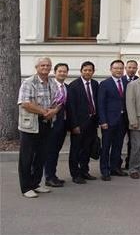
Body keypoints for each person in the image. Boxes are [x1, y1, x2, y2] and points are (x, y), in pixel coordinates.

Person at [17, 57, 61, 198]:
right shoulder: (29, 82)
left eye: (48, 65)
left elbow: (58, 100)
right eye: (42, 65)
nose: (46, 67)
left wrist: (54, 111)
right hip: (31, 125)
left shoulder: (52, 82)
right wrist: (44, 112)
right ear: (36, 67)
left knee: (41, 156)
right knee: (27, 157)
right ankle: (26, 187)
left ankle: (35, 183)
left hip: (47, 123)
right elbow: (25, 103)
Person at [67, 61, 99, 184]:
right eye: (85, 70)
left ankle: (84, 171)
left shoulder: (96, 84)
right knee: (76, 149)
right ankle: (75, 174)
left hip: (92, 122)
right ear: (81, 71)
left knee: (87, 149)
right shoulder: (74, 85)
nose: (87, 72)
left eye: (90, 70)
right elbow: (71, 107)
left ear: (93, 72)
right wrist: (74, 125)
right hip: (79, 124)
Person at [98, 59, 128, 181]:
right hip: (109, 121)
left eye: (121, 68)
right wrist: (103, 121)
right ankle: (104, 170)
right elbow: (101, 104)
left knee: (118, 145)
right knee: (106, 147)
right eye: (116, 68)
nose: (119, 70)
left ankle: (115, 167)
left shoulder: (126, 82)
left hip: (122, 120)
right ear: (111, 69)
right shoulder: (105, 84)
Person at [44, 63, 69, 188]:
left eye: (65, 71)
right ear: (55, 72)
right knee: (50, 151)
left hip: (63, 124)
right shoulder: (50, 86)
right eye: (60, 71)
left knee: (56, 151)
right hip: (52, 124)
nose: (62, 73)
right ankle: (49, 177)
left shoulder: (66, 87)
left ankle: (53, 175)